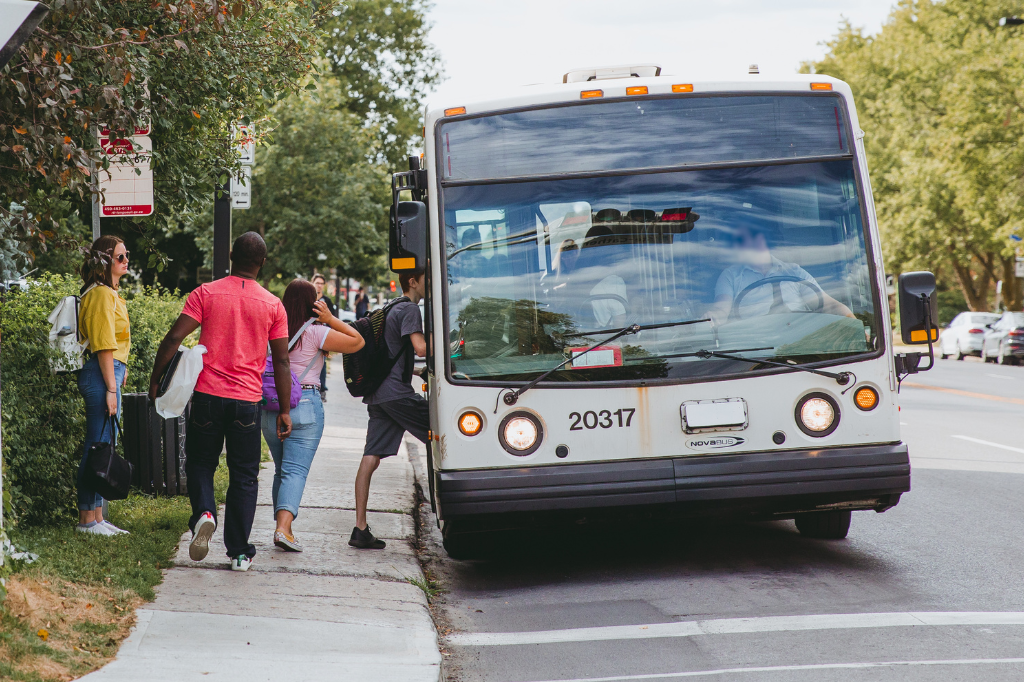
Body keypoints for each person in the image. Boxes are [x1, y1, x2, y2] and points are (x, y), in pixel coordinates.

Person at [148, 232, 293, 572]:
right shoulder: (273, 305)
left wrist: (156, 379)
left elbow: (174, 338)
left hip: (208, 397)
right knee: (244, 475)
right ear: (263, 262)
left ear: (230, 255)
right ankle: (240, 552)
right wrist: (284, 409)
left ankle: (205, 514)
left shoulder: (206, 293)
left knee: (200, 462)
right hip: (246, 402)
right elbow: (283, 361)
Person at [261, 279, 364, 552]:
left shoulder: (272, 330)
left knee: (282, 471)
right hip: (303, 404)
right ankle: (283, 529)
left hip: (270, 406)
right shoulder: (317, 332)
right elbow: (358, 341)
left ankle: (284, 529)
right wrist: (331, 319)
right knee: (294, 471)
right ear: (311, 304)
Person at [351, 269, 428, 550]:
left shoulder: (391, 305)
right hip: (396, 394)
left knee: (370, 457)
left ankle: (360, 528)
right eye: (427, 278)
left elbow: (399, 355)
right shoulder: (410, 309)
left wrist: (418, 370)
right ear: (413, 281)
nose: (431, 283)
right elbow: (420, 347)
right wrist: (451, 348)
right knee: (444, 428)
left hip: (379, 394)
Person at [76, 236, 132, 536]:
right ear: (104, 261)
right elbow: (103, 345)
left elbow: (114, 345)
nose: (126, 262)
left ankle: (97, 517)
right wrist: (111, 387)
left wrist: (118, 375)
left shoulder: (109, 294)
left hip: (108, 374)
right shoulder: (99, 295)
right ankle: (86, 520)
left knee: (103, 445)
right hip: (100, 376)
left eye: (126, 256)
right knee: (95, 447)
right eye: (120, 257)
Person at [707, 223, 855, 326]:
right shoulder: (730, 276)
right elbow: (721, 309)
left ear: (765, 238)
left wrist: (853, 322)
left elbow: (828, 305)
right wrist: (710, 318)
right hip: (752, 350)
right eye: (741, 240)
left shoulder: (794, 271)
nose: (749, 243)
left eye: (754, 236)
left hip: (799, 346)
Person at [311, 274, 338, 402]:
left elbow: (334, 318)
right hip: (310, 334)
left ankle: (322, 389)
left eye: (321, 283)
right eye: (317, 282)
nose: (319, 285)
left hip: (324, 334)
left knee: (322, 361)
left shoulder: (327, 301)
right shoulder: (309, 299)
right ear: (313, 283)